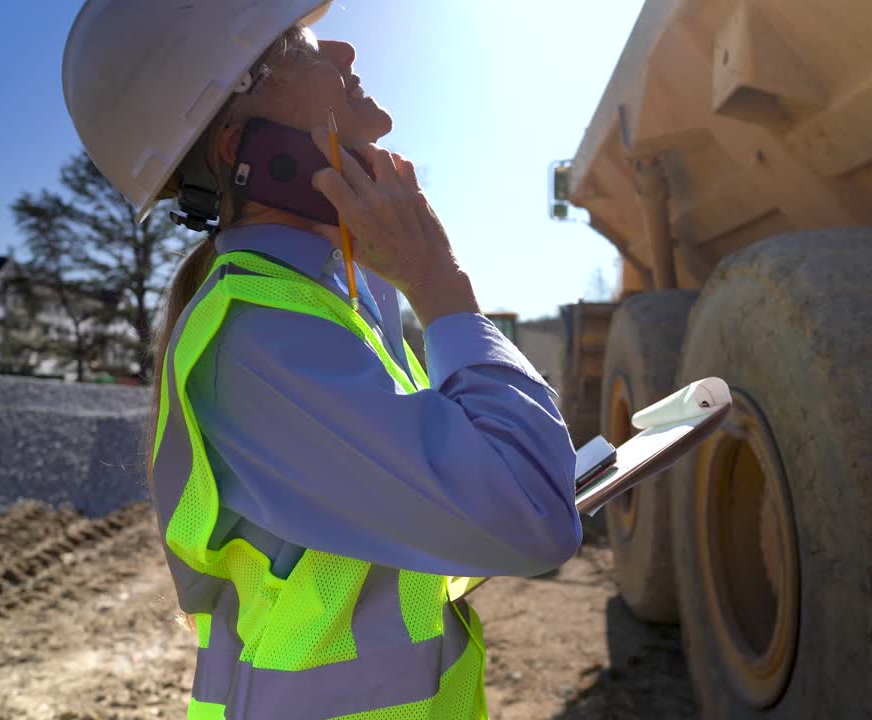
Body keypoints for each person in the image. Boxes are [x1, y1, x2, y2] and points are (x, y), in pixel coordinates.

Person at [62, 2, 582, 718]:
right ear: (245, 147)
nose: (341, 49)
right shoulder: (260, 340)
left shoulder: (328, 302)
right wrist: (441, 284)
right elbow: (531, 520)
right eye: (295, 47)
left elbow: (402, 545)